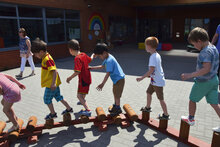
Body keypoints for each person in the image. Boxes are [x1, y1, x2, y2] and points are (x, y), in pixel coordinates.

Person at [181, 27, 220, 132]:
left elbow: (206, 69)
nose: (195, 46)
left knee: (192, 99)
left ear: (199, 41)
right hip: (214, 80)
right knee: (214, 104)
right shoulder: (213, 47)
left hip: (203, 82)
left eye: (194, 44)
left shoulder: (204, 52)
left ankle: (191, 119)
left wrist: (190, 75)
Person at [31, 38, 73, 120]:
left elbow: (54, 71)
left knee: (46, 99)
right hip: (53, 83)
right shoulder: (45, 57)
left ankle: (53, 114)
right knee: (58, 96)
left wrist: (53, 83)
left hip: (51, 85)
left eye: (36, 54)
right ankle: (69, 109)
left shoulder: (47, 59)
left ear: (41, 52)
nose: (35, 56)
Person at [136, 37, 169, 120]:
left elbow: (151, 70)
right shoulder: (156, 55)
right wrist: (150, 75)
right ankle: (147, 107)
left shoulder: (153, 57)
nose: (145, 47)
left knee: (161, 99)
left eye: (146, 45)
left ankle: (166, 114)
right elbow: (155, 69)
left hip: (157, 82)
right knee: (148, 92)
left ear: (150, 46)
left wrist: (142, 77)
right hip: (154, 81)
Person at [89, 43, 125, 116]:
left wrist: (102, 84)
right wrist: (92, 67)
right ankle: (116, 106)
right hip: (116, 80)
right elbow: (102, 66)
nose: (99, 57)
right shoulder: (108, 57)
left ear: (104, 53)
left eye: (99, 56)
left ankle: (118, 109)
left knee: (117, 95)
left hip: (119, 80)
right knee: (115, 92)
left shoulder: (109, 60)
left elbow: (107, 74)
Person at [66, 39, 94, 116]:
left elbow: (77, 71)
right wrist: (92, 55)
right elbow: (90, 60)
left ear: (71, 50)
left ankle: (88, 110)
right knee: (83, 93)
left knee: (79, 96)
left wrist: (69, 78)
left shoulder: (77, 58)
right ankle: (82, 101)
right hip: (88, 79)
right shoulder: (84, 54)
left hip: (83, 80)